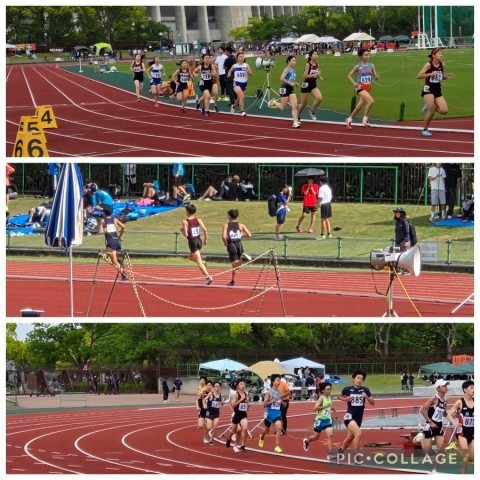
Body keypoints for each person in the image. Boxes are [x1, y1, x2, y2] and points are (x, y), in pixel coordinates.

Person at [417, 48, 453, 137]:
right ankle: (425, 130)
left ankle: (428, 105)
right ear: (433, 55)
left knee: (444, 111)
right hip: (428, 89)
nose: (441, 55)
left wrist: (446, 77)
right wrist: (430, 74)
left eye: (441, 53)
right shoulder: (428, 65)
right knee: (432, 110)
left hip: (437, 90)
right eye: (439, 53)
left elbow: (441, 76)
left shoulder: (442, 64)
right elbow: (419, 76)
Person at [338, 370, 375, 455]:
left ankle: (341, 451)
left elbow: (373, 402)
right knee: (358, 433)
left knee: (349, 438)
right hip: (349, 416)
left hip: (358, 418)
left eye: (361, 379)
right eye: (358, 378)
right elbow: (339, 396)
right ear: (353, 379)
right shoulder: (347, 389)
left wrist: (366, 397)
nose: (359, 380)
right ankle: (357, 456)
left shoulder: (365, 390)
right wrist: (345, 399)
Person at [345, 48, 380, 129]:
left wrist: (377, 77)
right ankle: (365, 119)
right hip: (360, 87)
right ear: (360, 57)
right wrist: (354, 83)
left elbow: (375, 75)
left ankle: (349, 119)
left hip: (368, 87)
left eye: (368, 55)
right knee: (371, 101)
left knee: (359, 105)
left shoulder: (371, 65)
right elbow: (349, 75)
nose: (367, 56)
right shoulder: (358, 66)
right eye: (365, 55)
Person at [180, 204, 213, 285]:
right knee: (190, 257)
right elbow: (205, 229)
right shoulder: (198, 220)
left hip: (192, 242)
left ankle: (208, 277)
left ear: (187, 211)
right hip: (199, 241)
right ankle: (203, 262)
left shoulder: (185, 221)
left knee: (198, 262)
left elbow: (186, 235)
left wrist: (182, 231)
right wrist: (206, 239)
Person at [303, 382, 337, 459]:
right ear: (323, 390)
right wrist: (325, 406)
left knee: (330, 435)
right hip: (319, 420)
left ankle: (330, 453)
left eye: (330, 389)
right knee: (316, 437)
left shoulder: (329, 397)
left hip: (327, 420)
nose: (329, 390)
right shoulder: (321, 398)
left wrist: (332, 408)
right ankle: (306, 442)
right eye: (328, 389)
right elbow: (315, 408)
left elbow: (327, 407)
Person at [268, 56, 301, 128]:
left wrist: (295, 83)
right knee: (283, 107)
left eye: (295, 61)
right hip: (284, 88)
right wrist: (291, 83)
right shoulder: (287, 69)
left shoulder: (293, 70)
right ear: (289, 61)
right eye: (293, 60)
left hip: (290, 88)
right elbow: (281, 78)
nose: (294, 62)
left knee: (294, 106)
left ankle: (295, 122)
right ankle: (274, 102)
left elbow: (290, 79)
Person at [222, 209, 252, 287]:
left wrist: (225, 243)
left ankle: (243, 259)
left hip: (232, 245)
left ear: (229, 216)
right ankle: (233, 281)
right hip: (239, 244)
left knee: (235, 264)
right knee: (236, 266)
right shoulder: (241, 225)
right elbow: (249, 235)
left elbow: (224, 237)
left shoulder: (226, 225)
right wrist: (241, 236)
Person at [447, 380, 474, 465]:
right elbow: (449, 415)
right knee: (466, 455)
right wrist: (455, 424)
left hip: (473, 432)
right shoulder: (460, 402)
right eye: (471, 388)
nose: (474, 390)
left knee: (471, 458)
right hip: (462, 432)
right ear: (465, 390)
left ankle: (453, 448)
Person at [419, 379, 449, 453]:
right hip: (430, 425)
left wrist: (454, 416)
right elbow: (422, 410)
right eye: (443, 386)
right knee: (428, 451)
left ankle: (437, 461)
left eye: (446, 385)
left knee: (440, 449)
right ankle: (421, 438)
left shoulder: (446, 400)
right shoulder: (434, 398)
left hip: (439, 425)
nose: (446, 387)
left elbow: (444, 413)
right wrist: (430, 422)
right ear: (438, 388)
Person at [98, 205, 126, 280]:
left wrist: (102, 228)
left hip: (110, 241)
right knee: (110, 258)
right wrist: (120, 236)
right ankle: (119, 263)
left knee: (110, 260)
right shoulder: (115, 220)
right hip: (116, 240)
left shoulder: (102, 220)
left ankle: (123, 274)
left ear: (104, 213)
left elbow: (99, 231)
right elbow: (123, 227)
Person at [258, 374, 284, 453]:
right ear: (273, 381)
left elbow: (279, 402)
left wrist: (283, 403)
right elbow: (264, 404)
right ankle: (262, 437)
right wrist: (272, 401)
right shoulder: (269, 392)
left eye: (279, 380)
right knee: (267, 430)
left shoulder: (280, 392)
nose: (279, 382)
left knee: (279, 427)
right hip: (269, 413)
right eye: (277, 380)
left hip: (277, 413)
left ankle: (277, 446)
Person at [297, 50, 323, 121]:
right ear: (311, 56)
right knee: (304, 103)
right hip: (306, 85)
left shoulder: (317, 64)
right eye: (315, 54)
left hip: (313, 85)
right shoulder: (308, 64)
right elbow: (305, 76)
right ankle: (297, 116)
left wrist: (319, 76)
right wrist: (316, 74)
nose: (316, 56)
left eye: (317, 54)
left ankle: (312, 111)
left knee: (319, 98)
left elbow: (316, 72)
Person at [225, 379, 249, 453]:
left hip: (243, 415)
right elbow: (232, 405)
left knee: (245, 428)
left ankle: (242, 445)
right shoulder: (235, 395)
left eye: (244, 384)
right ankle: (229, 438)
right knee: (234, 431)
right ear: (237, 386)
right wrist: (240, 400)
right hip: (236, 415)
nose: (243, 385)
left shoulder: (246, 394)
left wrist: (247, 405)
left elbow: (246, 405)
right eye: (241, 384)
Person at [227, 52, 252, 116]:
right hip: (237, 83)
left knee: (239, 98)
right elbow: (230, 71)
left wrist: (247, 71)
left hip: (244, 84)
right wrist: (229, 74)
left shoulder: (246, 65)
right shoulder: (235, 66)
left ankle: (233, 106)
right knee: (242, 97)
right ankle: (242, 111)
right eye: (240, 56)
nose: (241, 58)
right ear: (237, 58)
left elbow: (251, 74)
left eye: (242, 56)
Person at [204, 380, 224, 445]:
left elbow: (222, 403)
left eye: (218, 386)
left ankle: (211, 440)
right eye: (216, 386)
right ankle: (205, 437)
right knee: (209, 427)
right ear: (213, 387)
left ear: (220, 387)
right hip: (210, 412)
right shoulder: (211, 394)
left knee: (215, 427)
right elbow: (204, 399)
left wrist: (222, 402)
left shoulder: (221, 395)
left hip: (216, 413)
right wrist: (204, 405)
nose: (217, 388)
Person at [196, 376, 209, 444]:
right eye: (201, 380)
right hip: (202, 405)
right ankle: (200, 417)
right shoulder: (200, 388)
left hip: (209, 409)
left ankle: (205, 438)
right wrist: (198, 406)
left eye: (203, 380)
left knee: (207, 425)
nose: (202, 382)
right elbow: (198, 398)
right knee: (201, 426)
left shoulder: (209, 390)